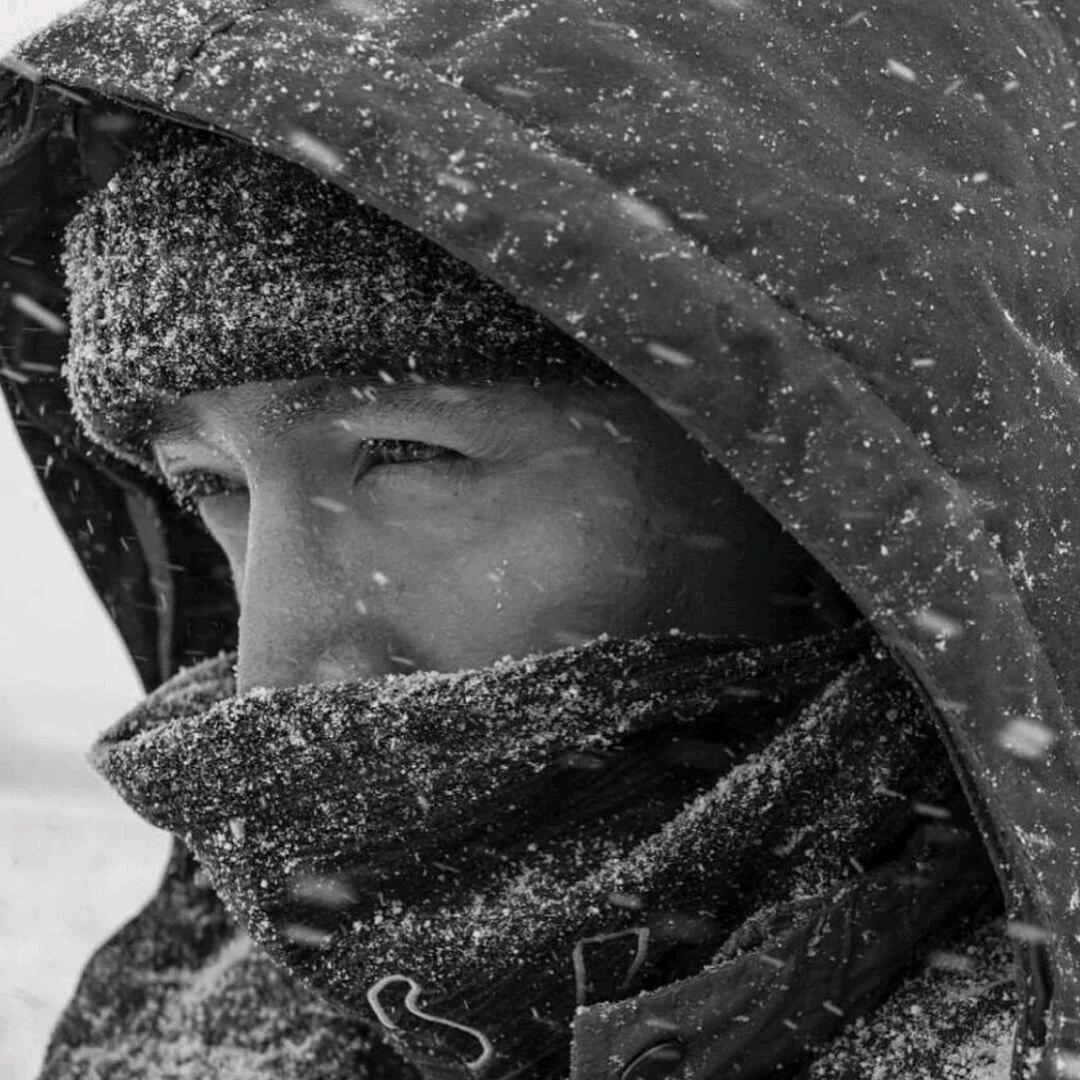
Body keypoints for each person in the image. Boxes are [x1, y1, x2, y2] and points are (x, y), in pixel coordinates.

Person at [3, 2, 1078, 1078]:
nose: (269, 672)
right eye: (210, 484)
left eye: (404, 454)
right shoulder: (184, 1023)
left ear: (798, 489)